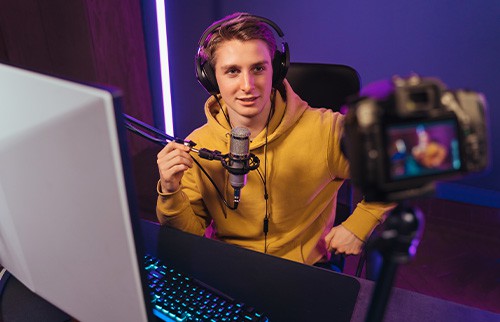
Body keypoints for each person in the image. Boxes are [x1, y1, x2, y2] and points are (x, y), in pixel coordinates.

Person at [156, 12, 393, 268]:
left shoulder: (325, 131)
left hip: (303, 271)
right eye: (233, 71)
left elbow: (397, 165)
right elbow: (188, 238)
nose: (248, 85)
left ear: (276, 69)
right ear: (211, 78)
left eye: (258, 68)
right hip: (228, 267)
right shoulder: (198, 146)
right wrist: (170, 191)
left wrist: (360, 225)